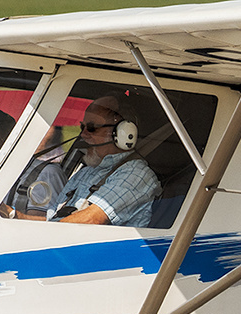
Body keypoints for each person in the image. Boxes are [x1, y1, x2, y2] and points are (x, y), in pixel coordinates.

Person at [25, 97, 160, 226]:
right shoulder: (86, 172)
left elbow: (90, 220)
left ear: (123, 132)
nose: (83, 135)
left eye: (91, 128)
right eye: (81, 128)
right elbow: (51, 220)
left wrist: (43, 234)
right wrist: (13, 215)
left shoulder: (135, 174)